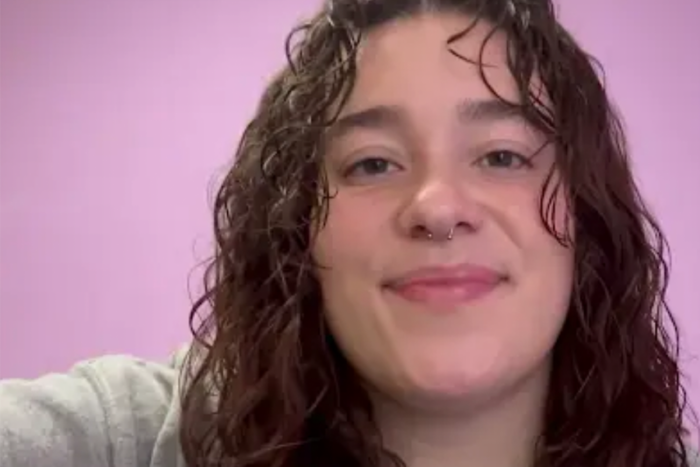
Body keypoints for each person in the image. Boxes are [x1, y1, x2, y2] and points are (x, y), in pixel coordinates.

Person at [1, 0, 697, 466]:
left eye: (501, 156)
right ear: (300, 230)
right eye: (373, 163)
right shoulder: (127, 441)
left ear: (586, 219)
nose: (437, 206)